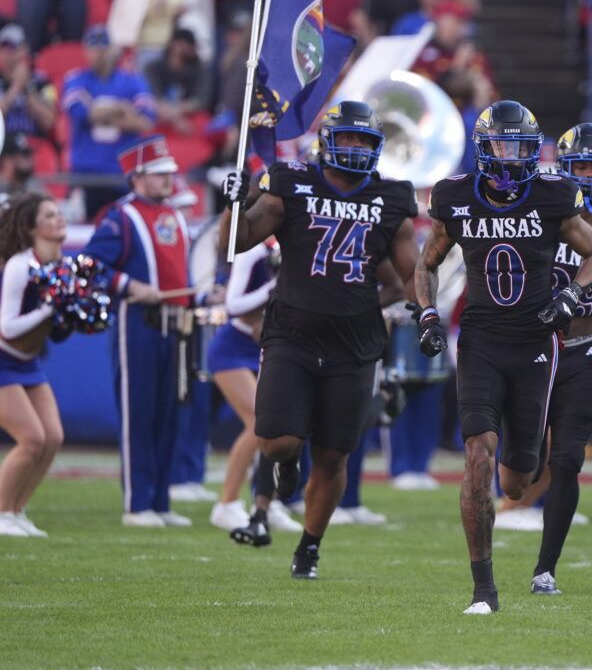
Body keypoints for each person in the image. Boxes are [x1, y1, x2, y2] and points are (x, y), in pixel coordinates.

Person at [413, 100, 592, 614]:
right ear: (483, 146)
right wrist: (427, 314)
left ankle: (520, 470)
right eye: (503, 143)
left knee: (518, 478)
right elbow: (427, 262)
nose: (512, 155)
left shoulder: (553, 194)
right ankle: (484, 589)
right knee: (478, 454)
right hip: (480, 341)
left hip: (536, 343)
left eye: (522, 146)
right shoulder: (454, 196)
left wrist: (571, 295)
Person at [219, 101, 420, 578]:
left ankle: (309, 545)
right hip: (292, 332)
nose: (352, 148)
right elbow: (237, 242)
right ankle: (285, 468)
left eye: (362, 140)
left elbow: (413, 274)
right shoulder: (291, 183)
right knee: (275, 439)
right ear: (326, 142)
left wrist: (429, 310)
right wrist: (232, 203)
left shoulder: (392, 198)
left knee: (332, 455)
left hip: (354, 343)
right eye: (345, 138)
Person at [497, 124, 592, 596]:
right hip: (531, 349)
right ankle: (516, 494)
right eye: (578, 167)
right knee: (516, 479)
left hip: (581, 351)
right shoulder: (536, 207)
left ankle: (546, 569)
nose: (586, 175)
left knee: (567, 460)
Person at [80, 136, 192, 527]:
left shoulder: (175, 215)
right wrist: (130, 287)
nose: (168, 180)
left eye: (169, 173)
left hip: (175, 325)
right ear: (137, 177)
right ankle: (137, 504)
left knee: (167, 415)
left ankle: (160, 502)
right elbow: (90, 265)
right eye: (159, 174)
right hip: (138, 324)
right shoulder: (119, 216)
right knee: (139, 413)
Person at [206, 237, 304, 539]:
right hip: (234, 345)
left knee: (278, 425)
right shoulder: (254, 253)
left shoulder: (294, 246)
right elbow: (234, 305)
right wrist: (271, 289)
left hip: (267, 344)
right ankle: (227, 502)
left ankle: (268, 502)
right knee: (257, 424)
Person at [0, 193, 69, 537]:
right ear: (31, 228)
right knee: (31, 439)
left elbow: (54, 329)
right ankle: (1, 512)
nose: (59, 219)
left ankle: (15, 510)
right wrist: (50, 308)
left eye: (59, 213)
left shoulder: (59, 264)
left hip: (27, 361)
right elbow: (8, 326)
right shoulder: (19, 265)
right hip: (2, 359)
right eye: (49, 215)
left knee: (53, 437)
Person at [63, 26, 157, 219]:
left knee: (127, 228)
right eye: (94, 48)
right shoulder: (76, 79)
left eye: (103, 48)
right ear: (85, 51)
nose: (99, 54)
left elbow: (145, 121)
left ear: (111, 50)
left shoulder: (132, 80)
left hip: (122, 174)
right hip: (85, 174)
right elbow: (82, 113)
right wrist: (122, 108)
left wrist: (100, 111)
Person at [0, 24, 56, 191]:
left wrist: (27, 89)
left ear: (25, 50)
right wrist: (16, 87)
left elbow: (49, 121)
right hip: (3, 152)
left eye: (17, 48)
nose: (13, 55)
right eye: (7, 49)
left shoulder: (42, 82)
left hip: (34, 153)